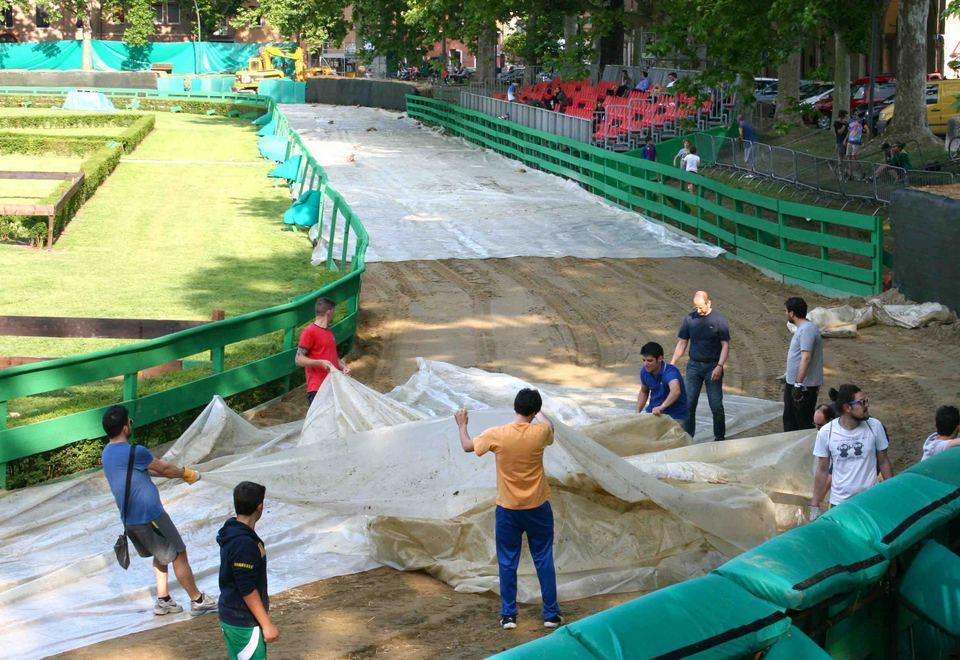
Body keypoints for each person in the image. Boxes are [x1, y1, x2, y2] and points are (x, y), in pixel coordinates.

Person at [454, 389, 562, 631]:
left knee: (507, 561)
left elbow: (468, 446)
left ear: (514, 407)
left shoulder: (497, 434)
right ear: (534, 412)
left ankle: (509, 616)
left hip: (508, 509)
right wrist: (539, 411)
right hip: (538, 507)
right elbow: (550, 426)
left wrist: (462, 425)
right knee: (543, 558)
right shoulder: (540, 432)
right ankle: (551, 615)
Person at [100, 405, 217, 616]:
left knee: (161, 553)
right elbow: (162, 468)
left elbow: (147, 472)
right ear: (126, 428)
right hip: (150, 515)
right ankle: (197, 600)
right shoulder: (135, 451)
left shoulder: (107, 453)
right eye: (130, 421)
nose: (131, 423)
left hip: (130, 519)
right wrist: (187, 473)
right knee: (179, 553)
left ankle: (163, 600)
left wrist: (177, 474)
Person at [810, 384, 893, 520]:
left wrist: (892, 489)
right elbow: (822, 470)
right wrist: (815, 504)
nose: (866, 406)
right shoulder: (826, 433)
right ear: (847, 408)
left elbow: (883, 461)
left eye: (866, 401)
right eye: (862, 403)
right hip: (839, 504)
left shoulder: (875, 426)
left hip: (870, 500)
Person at [218, 481, 276, 660]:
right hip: (243, 621)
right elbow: (247, 588)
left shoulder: (233, 530)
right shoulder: (244, 544)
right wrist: (267, 624)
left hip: (234, 615)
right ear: (259, 507)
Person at [671, 291, 730, 441]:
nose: (698, 310)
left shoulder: (719, 320)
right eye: (696, 307)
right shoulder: (690, 319)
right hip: (694, 367)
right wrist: (672, 363)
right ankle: (688, 438)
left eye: (701, 307)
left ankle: (720, 437)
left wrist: (720, 366)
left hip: (713, 367)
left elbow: (725, 345)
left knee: (716, 405)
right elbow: (682, 343)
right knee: (689, 404)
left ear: (708, 303)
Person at [295, 297, 350, 405]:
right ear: (329, 312)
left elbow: (332, 356)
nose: (334, 314)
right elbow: (298, 359)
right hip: (318, 389)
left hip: (333, 386)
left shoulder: (329, 332)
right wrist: (320, 362)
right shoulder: (309, 331)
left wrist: (343, 366)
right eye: (334, 311)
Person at [783, 297, 824, 431]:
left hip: (804, 387)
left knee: (801, 423)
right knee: (791, 420)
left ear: (792, 313)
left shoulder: (807, 330)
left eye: (786, 311)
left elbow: (806, 358)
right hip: (798, 384)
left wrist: (798, 384)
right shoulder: (804, 328)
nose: (786, 314)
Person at [637, 342, 688, 423]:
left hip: (675, 415)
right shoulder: (644, 371)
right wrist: (637, 412)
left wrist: (661, 407)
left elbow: (675, 391)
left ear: (660, 358)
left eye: (649, 360)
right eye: (644, 360)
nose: (645, 364)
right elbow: (644, 391)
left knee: (672, 435)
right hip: (654, 412)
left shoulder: (671, 372)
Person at [844, 111, 866, 179]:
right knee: (848, 157)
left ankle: (862, 171)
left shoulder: (861, 121)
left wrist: (866, 140)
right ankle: (850, 174)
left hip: (856, 141)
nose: (854, 116)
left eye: (856, 114)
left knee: (854, 157)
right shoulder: (850, 121)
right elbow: (849, 131)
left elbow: (866, 129)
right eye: (853, 114)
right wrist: (845, 139)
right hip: (850, 141)